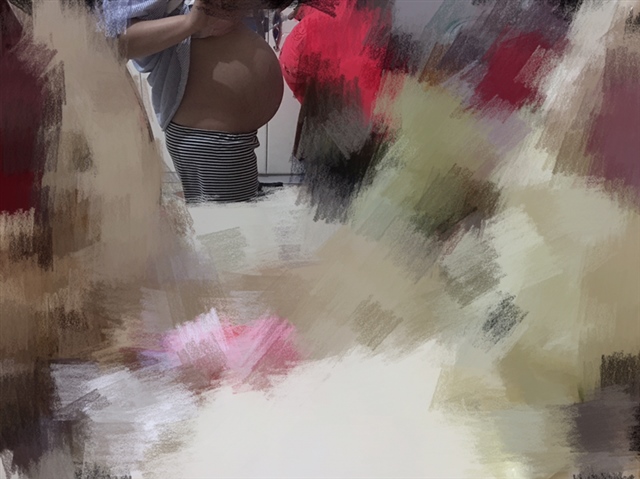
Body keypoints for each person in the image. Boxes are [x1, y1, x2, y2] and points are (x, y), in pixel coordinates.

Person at [100, 0, 293, 203]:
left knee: (231, 214)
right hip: (208, 139)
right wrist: (190, 23)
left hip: (224, 135)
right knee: (230, 220)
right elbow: (114, 42)